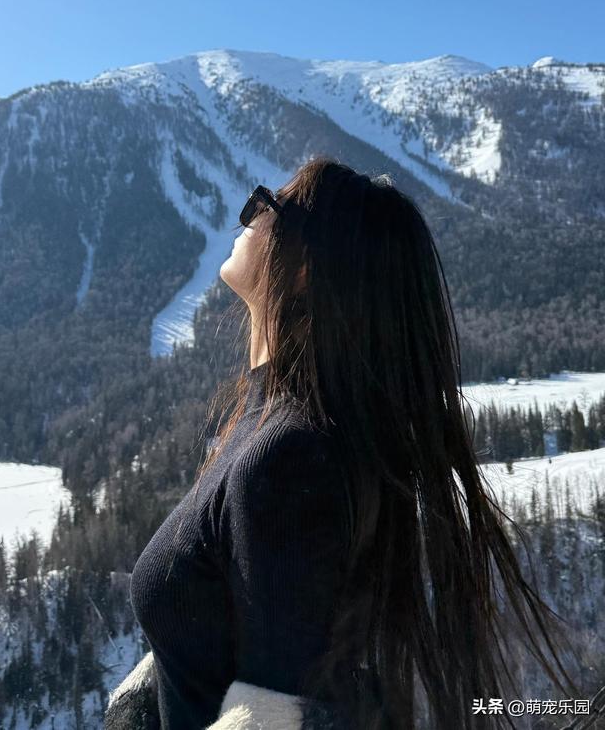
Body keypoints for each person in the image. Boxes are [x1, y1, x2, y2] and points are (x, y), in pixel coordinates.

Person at [108, 156, 580, 730]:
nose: (251, 215)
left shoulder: (290, 456)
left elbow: (285, 711)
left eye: (270, 206)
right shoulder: (268, 423)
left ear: (306, 267)